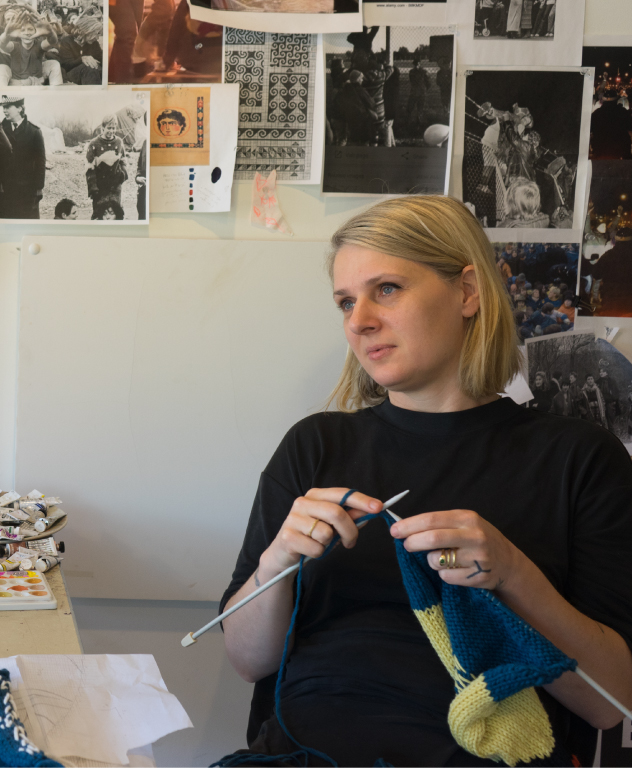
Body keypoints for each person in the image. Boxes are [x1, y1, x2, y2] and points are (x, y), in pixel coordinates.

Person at [218, 196, 632, 767]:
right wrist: (277, 564)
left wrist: (513, 574)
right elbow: (247, 661)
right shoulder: (316, 446)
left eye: (386, 288)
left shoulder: (578, 460)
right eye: (345, 301)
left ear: (467, 292)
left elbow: (611, 703)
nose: (359, 320)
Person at [0, 95, 46, 219]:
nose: (4, 110)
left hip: (27, 191)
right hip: (5, 190)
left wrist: (38, 189)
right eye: (3, 107)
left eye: (8, 107)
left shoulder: (34, 132)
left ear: (19, 108)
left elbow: (40, 163)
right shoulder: (0, 129)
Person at [0, 9, 62, 86]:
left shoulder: (39, 45)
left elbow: (53, 41)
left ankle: (56, 93)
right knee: (0, 68)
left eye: (30, 29)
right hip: (17, 84)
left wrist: (50, 32)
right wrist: (7, 34)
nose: (27, 33)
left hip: (36, 83)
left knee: (54, 63)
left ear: (35, 31)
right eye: (23, 30)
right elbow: (2, 44)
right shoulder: (15, 46)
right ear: (18, 32)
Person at [85, 114, 126, 220]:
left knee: (115, 214)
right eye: (108, 128)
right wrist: (93, 187)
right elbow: (89, 168)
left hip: (115, 187)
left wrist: (122, 174)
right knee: (99, 214)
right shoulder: (94, 144)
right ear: (102, 128)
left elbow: (123, 161)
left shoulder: (119, 142)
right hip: (100, 187)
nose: (111, 131)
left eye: (113, 128)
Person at [56, 14, 103, 85]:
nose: (97, 37)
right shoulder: (67, 41)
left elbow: (101, 60)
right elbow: (65, 66)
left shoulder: (94, 43)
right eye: (95, 34)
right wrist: (81, 59)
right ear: (86, 31)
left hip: (91, 74)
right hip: (72, 75)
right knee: (88, 69)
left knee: (97, 70)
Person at [590, 88, 632, 160]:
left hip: (600, 150)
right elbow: (630, 128)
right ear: (616, 100)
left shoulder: (596, 114)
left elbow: (589, 130)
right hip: (620, 151)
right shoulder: (623, 112)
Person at [406, 59, 430, 124]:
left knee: (419, 107)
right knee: (411, 106)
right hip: (417, 91)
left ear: (419, 64)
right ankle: (411, 120)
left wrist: (424, 89)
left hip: (419, 91)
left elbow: (428, 82)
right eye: (415, 64)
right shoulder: (415, 72)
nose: (416, 66)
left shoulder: (422, 72)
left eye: (417, 64)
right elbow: (428, 83)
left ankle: (418, 120)